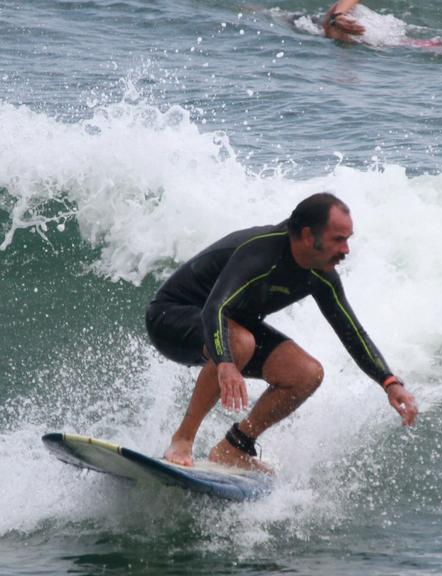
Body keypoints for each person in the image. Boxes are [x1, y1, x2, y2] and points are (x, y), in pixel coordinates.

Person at [146, 193, 418, 472]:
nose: (346, 249)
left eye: (348, 239)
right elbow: (214, 309)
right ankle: (182, 438)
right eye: (338, 239)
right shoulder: (260, 252)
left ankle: (233, 447)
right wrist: (225, 363)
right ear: (308, 235)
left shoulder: (321, 274)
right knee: (239, 342)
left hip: (232, 328)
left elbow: (351, 330)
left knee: (306, 373)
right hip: (172, 318)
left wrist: (389, 382)